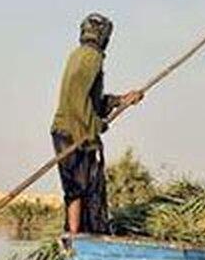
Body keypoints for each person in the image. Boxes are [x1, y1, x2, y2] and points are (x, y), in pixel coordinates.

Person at [50, 13, 143, 234]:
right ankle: (76, 238)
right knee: (80, 188)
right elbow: (76, 97)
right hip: (74, 133)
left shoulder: (79, 55)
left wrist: (121, 100)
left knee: (81, 188)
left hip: (71, 130)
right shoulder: (91, 57)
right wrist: (95, 126)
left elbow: (92, 101)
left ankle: (77, 237)